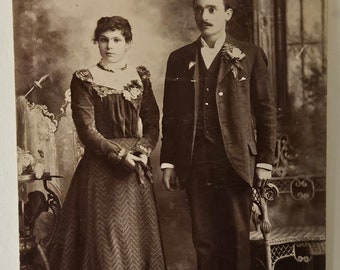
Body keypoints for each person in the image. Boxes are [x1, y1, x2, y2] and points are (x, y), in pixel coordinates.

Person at [160, 0, 277, 269]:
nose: (204, 15)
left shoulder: (250, 54)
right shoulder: (179, 58)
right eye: (198, 9)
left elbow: (265, 111)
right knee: (204, 240)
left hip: (236, 160)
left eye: (212, 8)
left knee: (236, 238)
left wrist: (264, 162)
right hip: (195, 160)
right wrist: (168, 162)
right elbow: (172, 115)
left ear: (227, 14)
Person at [49, 16, 166, 270]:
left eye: (116, 40)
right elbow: (87, 131)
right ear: (97, 42)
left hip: (136, 171)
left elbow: (153, 122)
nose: (110, 46)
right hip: (101, 169)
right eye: (104, 40)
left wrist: (144, 150)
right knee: (107, 243)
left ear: (127, 43)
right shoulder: (84, 78)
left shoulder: (140, 76)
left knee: (136, 242)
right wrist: (120, 155)